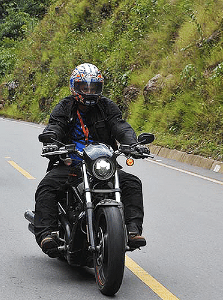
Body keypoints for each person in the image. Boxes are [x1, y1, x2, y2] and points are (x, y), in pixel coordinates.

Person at [34, 63, 150, 258]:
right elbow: (55, 126)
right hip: (71, 163)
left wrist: (133, 144)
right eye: (84, 87)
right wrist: (52, 142)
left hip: (101, 165)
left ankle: (132, 230)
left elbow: (120, 126)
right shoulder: (65, 107)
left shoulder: (106, 106)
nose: (88, 91)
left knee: (132, 183)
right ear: (74, 87)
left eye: (93, 88)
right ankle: (47, 233)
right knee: (48, 186)